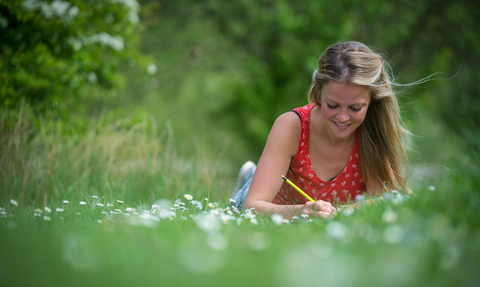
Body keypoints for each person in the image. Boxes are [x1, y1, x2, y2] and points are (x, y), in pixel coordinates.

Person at [231, 41, 410, 220]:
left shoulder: (372, 134)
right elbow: (252, 206)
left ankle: (253, 174)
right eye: (333, 105)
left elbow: (384, 199)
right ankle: (251, 179)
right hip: (276, 212)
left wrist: (340, 213)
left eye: (355, 108)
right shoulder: (291, 127)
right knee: (250, 194)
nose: (342, 117)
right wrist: (300, 212)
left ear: (372, 102)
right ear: (318, 93)